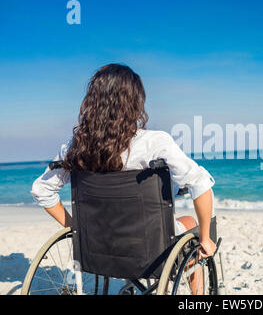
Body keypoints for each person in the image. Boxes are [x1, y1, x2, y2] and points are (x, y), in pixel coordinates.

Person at [31, 63, 216, 294]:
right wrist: (206, 239)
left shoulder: (75, 147)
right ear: (134, 102)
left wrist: (76, 228)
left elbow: (42, 190)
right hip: (149, 248)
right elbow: (200, 184)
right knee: (190, 224)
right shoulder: (155, 142)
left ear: (93, 101)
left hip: (97, 247)